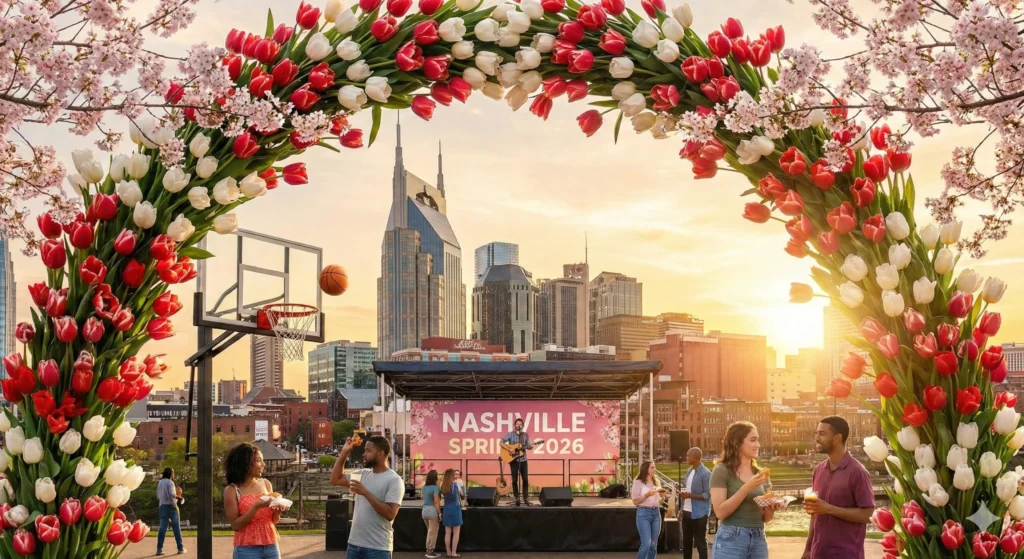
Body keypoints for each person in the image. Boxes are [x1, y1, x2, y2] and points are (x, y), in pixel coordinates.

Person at [801, 416, 875, 559]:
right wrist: (808, 549)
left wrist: (828, 508)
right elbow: (815, 514)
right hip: (818, 553)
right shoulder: (818, 470)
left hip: (847, 554)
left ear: (837, 438)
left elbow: (868, 514)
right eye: (816, 433)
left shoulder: (858, 472)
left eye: (822, 434)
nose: (816, 438)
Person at [709, 422, 782, 559]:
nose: (758, 445)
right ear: (737, 443)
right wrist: (746, 487)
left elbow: (766, 518)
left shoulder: (761, 473)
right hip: (731, 539)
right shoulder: (721, 471)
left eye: (758, 440)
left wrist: (771, 508)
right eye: (753, 440)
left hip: (758, 538)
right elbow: (720, 512)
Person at [331, 435, 404, 559]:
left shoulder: (394, 480)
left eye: (368, 451)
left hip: (378, 549)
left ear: (381, 453)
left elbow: (390, 513)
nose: (364, 454)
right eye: (365, 450)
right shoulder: (362, 474)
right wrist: (344, 452)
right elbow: (335, 479)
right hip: (354, 545)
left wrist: (366, 493)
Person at [224, 443, 285, 559]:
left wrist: (278, 510)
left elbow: (273, 521)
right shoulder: (232, 490)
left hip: (271, 546)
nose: (263, 464)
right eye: (259, 460)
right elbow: (236, 525)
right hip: (246, 549)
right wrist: (256, 506)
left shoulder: (266, 484)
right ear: (246, 463)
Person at [679, 448, 711, 559]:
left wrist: (690, 496)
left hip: (699, 514)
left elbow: (707, 495)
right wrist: (680, 510)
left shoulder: (706, 474)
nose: (686, 457)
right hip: (686, 512)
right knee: (686, 543)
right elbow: (685, 490)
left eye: (688, 455)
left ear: (695, 457)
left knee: (700, 543)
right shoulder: (689, 471)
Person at [631, 460, 666, 559]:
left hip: (656, 513)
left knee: (653, 545)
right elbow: (635, 502)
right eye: (652, 467)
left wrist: (662, 496)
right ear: (645, 469)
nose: (654, 469)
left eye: (654, 467)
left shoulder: (656, 482)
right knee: (646, 543)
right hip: (643, 513)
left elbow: (659, 502)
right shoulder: (638, 483)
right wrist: (647, 494)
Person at [500, 417, 534, 505]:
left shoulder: (525, 435)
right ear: (514, 425)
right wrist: (509, 449)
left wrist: (530, 446)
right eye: (517, 424)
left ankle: (525, 498)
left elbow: (527, 446)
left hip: (523, 460)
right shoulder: (510, 434)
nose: (519, 425)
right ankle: (516, 498)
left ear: (523, 426)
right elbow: (501, 442)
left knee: (525, 479)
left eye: (520, 424)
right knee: (514, 480)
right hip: (514, 461)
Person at [156, 467, 186, 556]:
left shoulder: (160, 482)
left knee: (162, 529)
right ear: (170, 474)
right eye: (173, 473)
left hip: (162, 507)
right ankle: (180, 548)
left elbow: (158, 496)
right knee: (176, 528)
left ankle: (159, 549)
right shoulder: (170, 482)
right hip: (172, 507)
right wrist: (180, 497)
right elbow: (172, 495)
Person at [440, 469, 464, 558]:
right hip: (456, 509)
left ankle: (448, 552)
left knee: (447, 533)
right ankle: (454, 552)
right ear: (451, 476)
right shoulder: (456, 484)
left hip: (447, 509)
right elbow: (462, 494)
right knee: (456, 533)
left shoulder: (443, 486)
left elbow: (442, 497)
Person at [421, 470, 442, 559]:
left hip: (424, 510)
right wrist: (440, 513)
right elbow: (436, 502)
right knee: (433, 532)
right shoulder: (435, 487)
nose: (439, 476)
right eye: (438, 475)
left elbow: (421, 497)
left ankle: (428, 550)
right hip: (432, 510)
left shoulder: (424, 487)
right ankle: (430, 551)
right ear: (435, 477)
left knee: (429, 531)